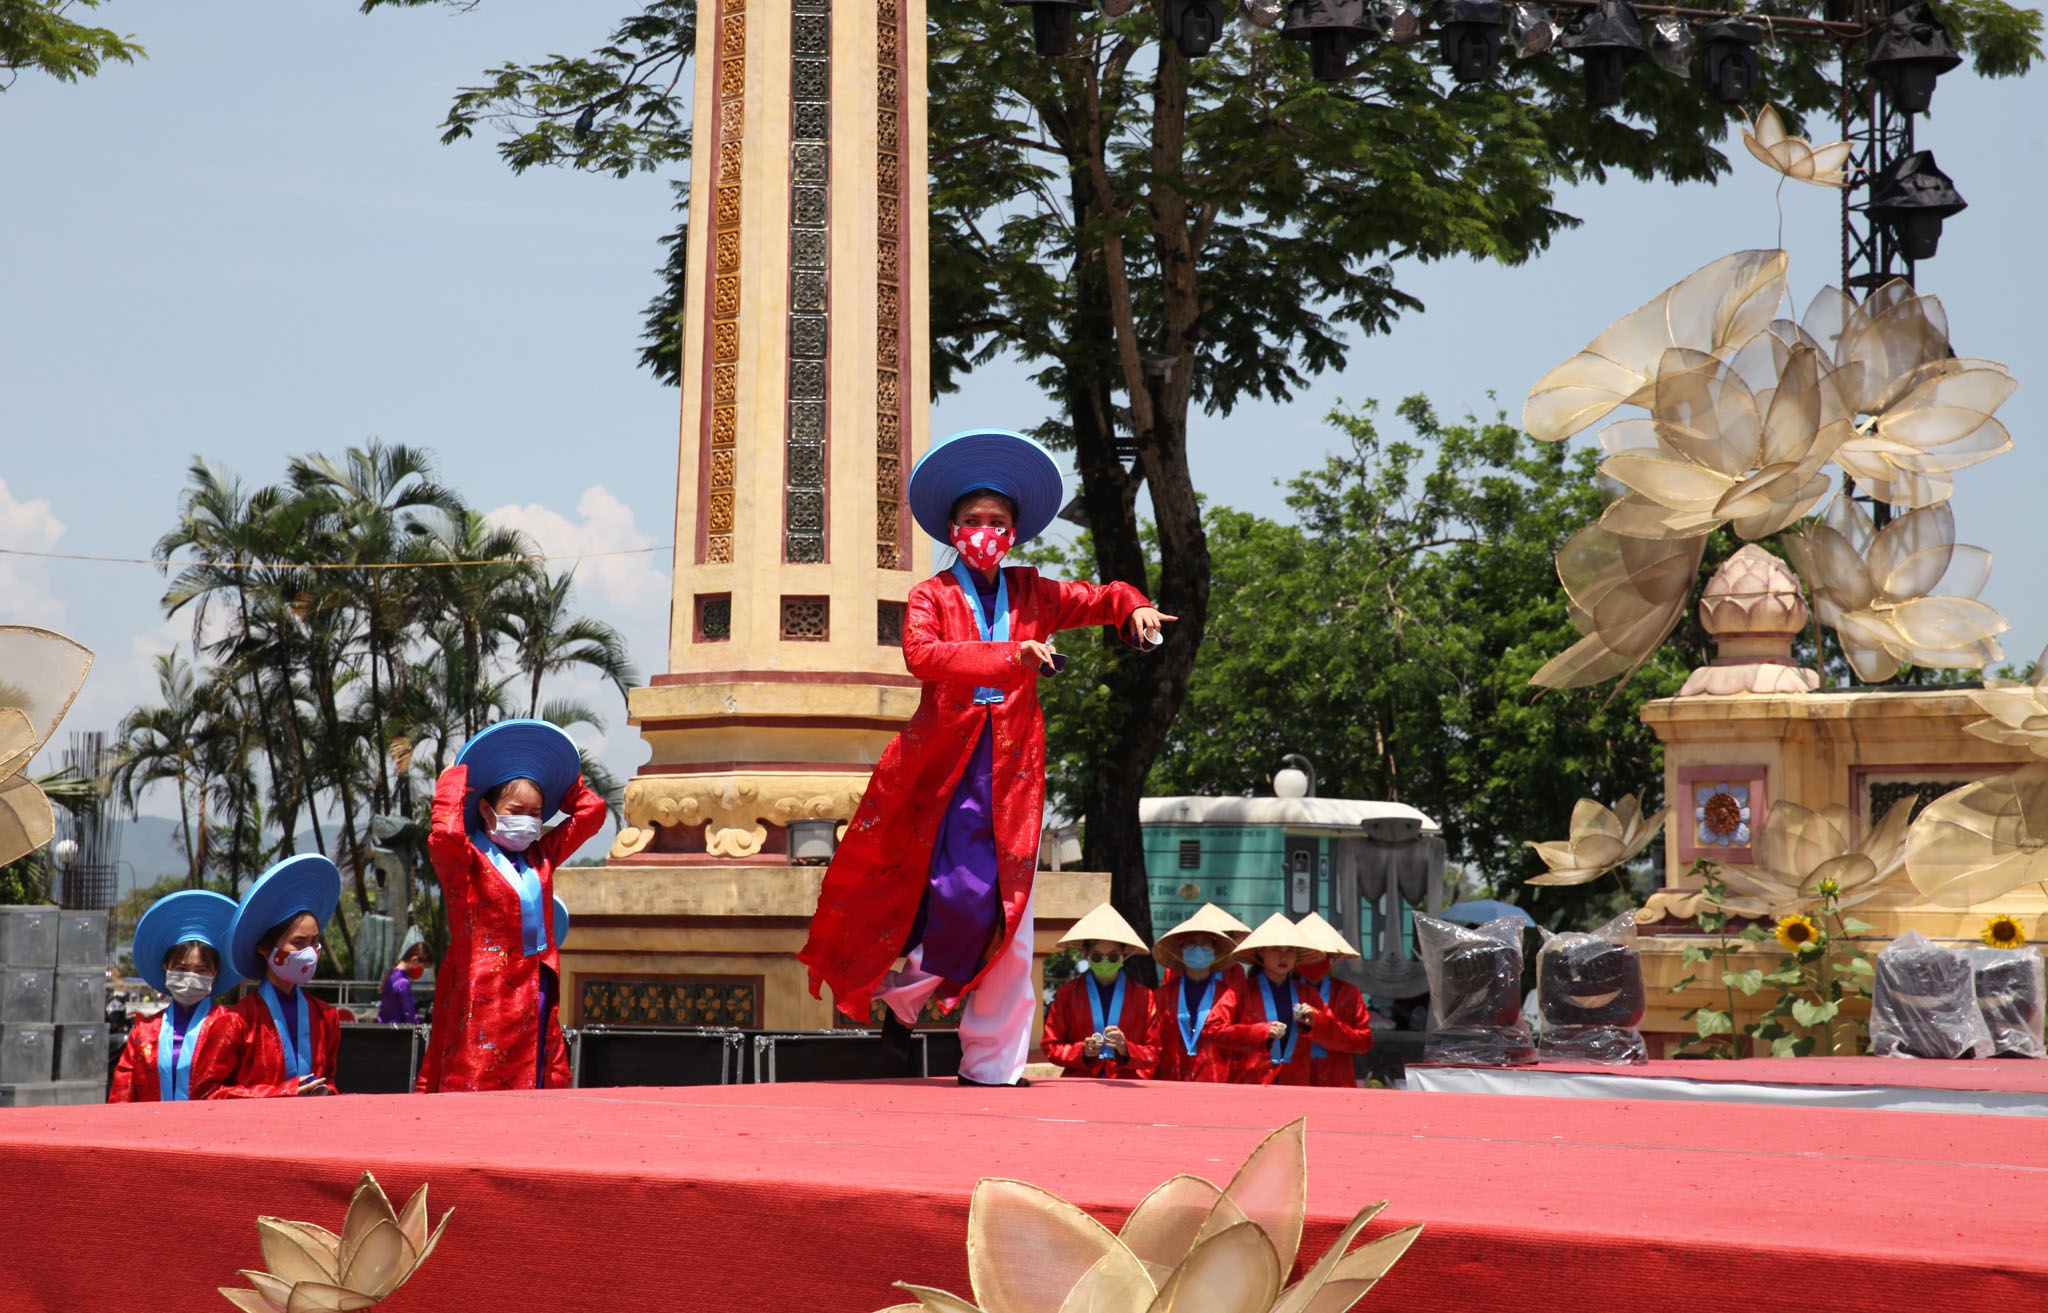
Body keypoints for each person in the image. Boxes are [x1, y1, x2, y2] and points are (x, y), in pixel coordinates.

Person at [799, 428, 1174, 1087]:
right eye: (973, 521)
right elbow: (923, 656)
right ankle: (907, 1000)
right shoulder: (931, 596)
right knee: (954, 899)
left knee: (1011, 912)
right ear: (953, 527)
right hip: (941, 770)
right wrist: (1012, 656)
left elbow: (1101, 595)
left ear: (1014, 531)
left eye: (997, 522)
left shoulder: (1035, 593)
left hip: (1013, 775)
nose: (985, 530)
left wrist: (1135, 607)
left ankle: (989, 1061)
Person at [416, 718, 606, 1093]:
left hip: (535, 986)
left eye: (537, 814)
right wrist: (454, 781)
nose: (529, 822)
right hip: (482, 991)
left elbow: (592, 814)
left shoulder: (542, 856)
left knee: (536, 1078)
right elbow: (444, 835)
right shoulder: (465, 861)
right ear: (487, 811)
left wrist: (566, 785)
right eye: (517, 811)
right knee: (476, 1079)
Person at [208, 855, 346, 1099]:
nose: (309, 952)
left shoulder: (327, 1018)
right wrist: (282, 1092)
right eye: (298, 943)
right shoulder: (237, 1022)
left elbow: (331, 1078)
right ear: (265, 948)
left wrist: (326, 1093)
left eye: (314, 942)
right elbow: (208, 1093)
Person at [108, 889, 245, 1102]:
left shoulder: (232, 1024)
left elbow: (247, 1086)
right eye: (181, 968)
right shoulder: (144, 1031)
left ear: (215, 974)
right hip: (150, 1131)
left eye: (201, 971)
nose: (190, 977)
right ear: (166, 968)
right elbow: (121, 1095)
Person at [1213, 913, 1371, 1087]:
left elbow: (1341, 1032)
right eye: (1276, 949)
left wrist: (1315, 1022)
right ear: (1261, 952)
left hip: (1297, 1081)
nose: (1284, 957)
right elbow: (1213, 1030)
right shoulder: (1240, 991)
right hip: (1251, 1081)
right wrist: (1258, 1032)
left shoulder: (1308, 994)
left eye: (1290, 950)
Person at [1040, 905, 1159, 1079]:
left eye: (1112, 957)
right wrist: (1081, 1051)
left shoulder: (1145, 997)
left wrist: (1127, 1049)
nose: (1105, 961)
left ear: (1123, 955)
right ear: (1087, 955)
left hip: (1127, 1085)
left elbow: (1155, 1052)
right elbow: (1050, 1046)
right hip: (1080, 1083)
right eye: (1096, 956)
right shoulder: (1067, 994)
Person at [1148, 903, 1252, 1084]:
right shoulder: (1163, 995)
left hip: (1216, 1078)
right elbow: (1154, 1040)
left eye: (1205, 943)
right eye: (1191, 943)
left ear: (1215, 950)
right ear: (1181, 950)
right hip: (1171, 1078)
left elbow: (1238, 1037)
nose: (1198, 948)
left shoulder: (1229, 995)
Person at [1291, 911, 1376, 1087]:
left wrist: (1323, 1026)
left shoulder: (1348, 993)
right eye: (1307, 954)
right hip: (1291, 1077)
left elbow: (1364, 1042)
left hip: (1335, 1078)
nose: (1313, 961)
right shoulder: (1283, 989)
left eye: (1318, 955)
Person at [379, 940, 431, 1025]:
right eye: (423, 968)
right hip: (396, 1033)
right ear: (414, 960)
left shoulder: (392, 975)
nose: (422, 971)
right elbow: (410, 1015)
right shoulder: (403, 983)